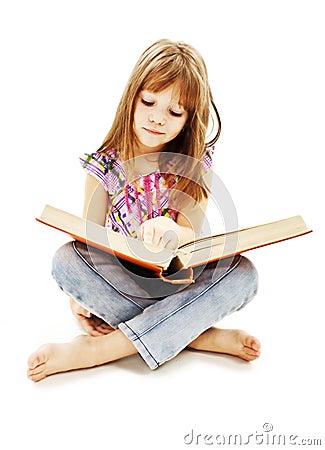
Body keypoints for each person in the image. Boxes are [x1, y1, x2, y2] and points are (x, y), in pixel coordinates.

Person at [27, 39, 260, 382]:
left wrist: (170, 231)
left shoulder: (196, 165)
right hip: (122, 283)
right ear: (131, 98)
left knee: (244, 274)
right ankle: (196, 335)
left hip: (180, 282)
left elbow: (189, 232)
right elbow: (90, 243)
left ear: (189, 119)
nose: (157, 118)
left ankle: (103, 349)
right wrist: (77, 299)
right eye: (149, 101)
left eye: (174, 111)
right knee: (66, 261)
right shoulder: (104, 167)